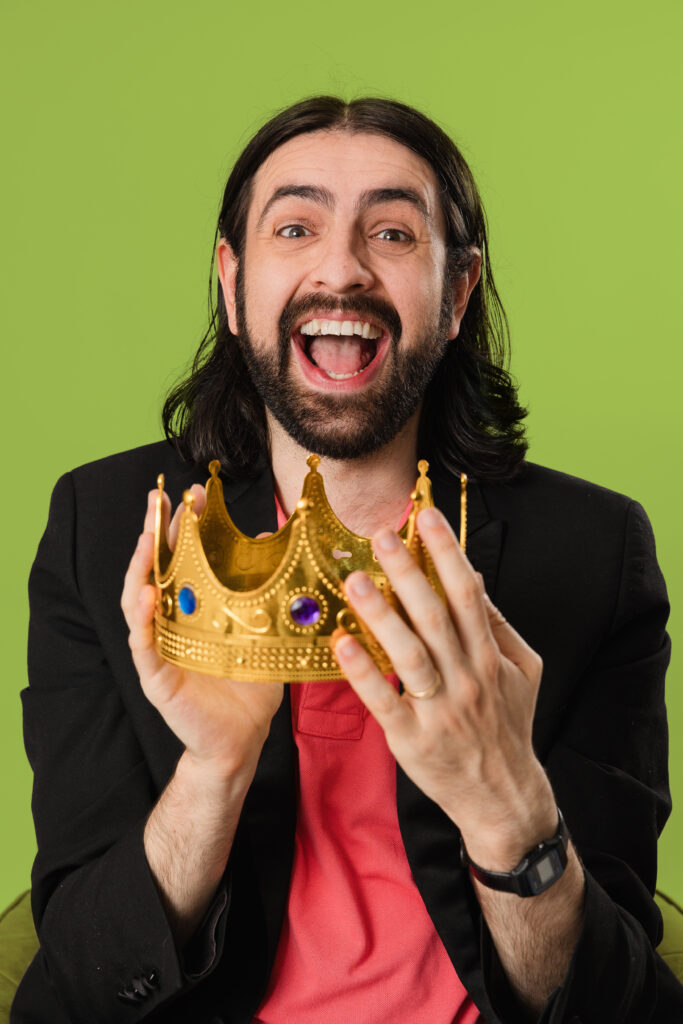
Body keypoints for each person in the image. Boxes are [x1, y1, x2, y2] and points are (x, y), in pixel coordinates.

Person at [13, 96, 682, 1024]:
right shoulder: (103, 528)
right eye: (295, 228)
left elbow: (610, 1003)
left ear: (456, 294)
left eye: (393, 233)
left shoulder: (593, 555)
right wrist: (212, 774)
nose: (340, 269)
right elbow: (89, 977)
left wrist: (506, 810)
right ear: (232, 283)